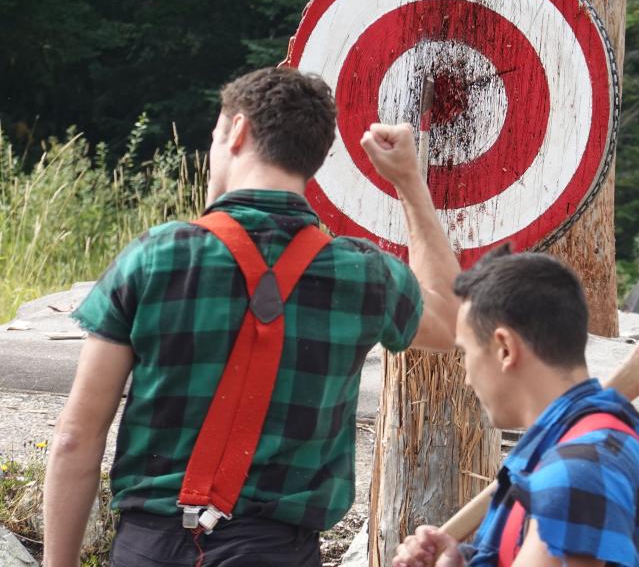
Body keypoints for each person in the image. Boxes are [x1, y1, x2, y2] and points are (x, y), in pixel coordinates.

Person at [42, 67, 460, 567]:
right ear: (319, 157)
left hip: (148, 547)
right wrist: (411, 183)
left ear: (236, 132)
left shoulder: (155, 256)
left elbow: (75, 438)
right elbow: (452, 324)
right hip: (274, 552)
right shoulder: (362, 274)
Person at [393, 248, 639, 567]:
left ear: (504, 348)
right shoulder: (610, 437)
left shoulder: (572, 477)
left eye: (466, 353)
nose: (468, 378)